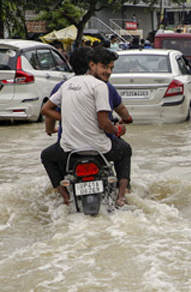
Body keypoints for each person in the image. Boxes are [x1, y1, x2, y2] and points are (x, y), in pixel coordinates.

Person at [40, 48, 132, 207]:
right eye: (105, 67)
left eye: (110, 68)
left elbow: (45, 110)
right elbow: (104, 123)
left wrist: (68, 118)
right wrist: (117, 130)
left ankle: (64, 197)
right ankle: (122, 196)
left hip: (68, 150)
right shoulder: (101, 86)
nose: (108, 72)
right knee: (126, 150)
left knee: (46, 156)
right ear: (91, 65)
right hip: (99, 149)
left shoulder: (66, 84)